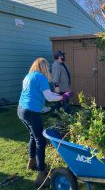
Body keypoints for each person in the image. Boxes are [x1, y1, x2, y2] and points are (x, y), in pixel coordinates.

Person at [17, 58, 68, 187]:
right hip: (31, 112)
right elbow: (49, 97)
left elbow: (45, 93)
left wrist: (59, 97)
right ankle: (41, 175)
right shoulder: (41, 77)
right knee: (41, 140)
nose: (49, 69)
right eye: (48, 67)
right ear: (43, 67)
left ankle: (31, 162)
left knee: (33, 136)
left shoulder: (29, 76)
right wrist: (63, 97)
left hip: (21, 110)